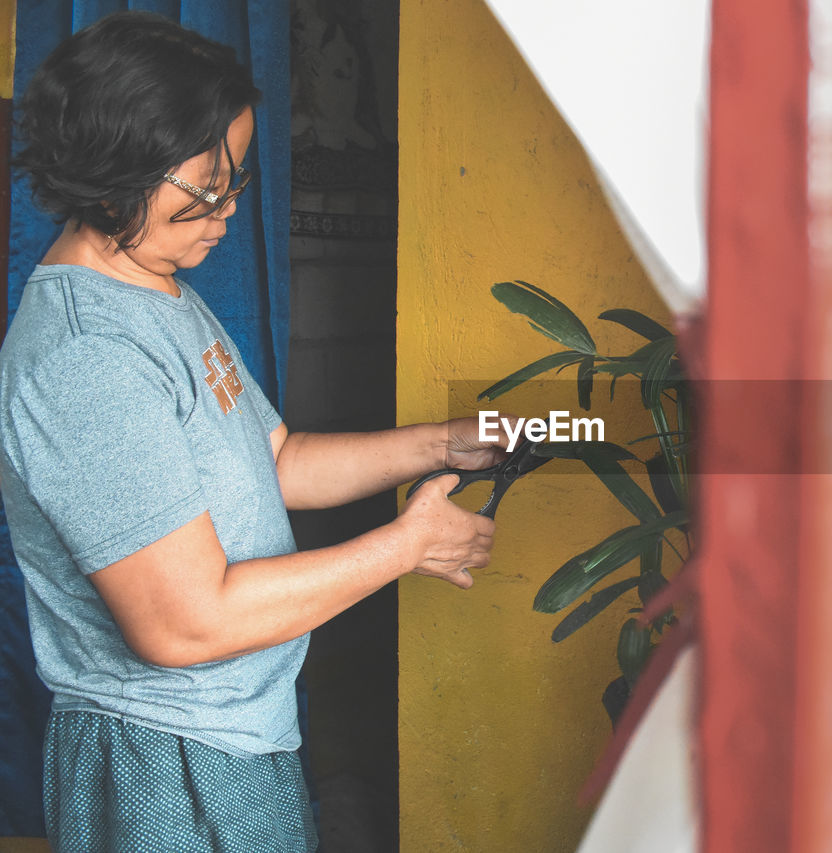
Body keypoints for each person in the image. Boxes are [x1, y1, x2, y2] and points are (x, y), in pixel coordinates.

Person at [0, 12, 503, 852]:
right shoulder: (87, 357)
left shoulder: (157, 291)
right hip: (167, 755)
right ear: (109, 172)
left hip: (233, 730)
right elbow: (184, 625)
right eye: (207, 187)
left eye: (237, 178)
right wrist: (407, 545)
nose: (229, 207)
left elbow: (273, 460)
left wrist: (442, 442)